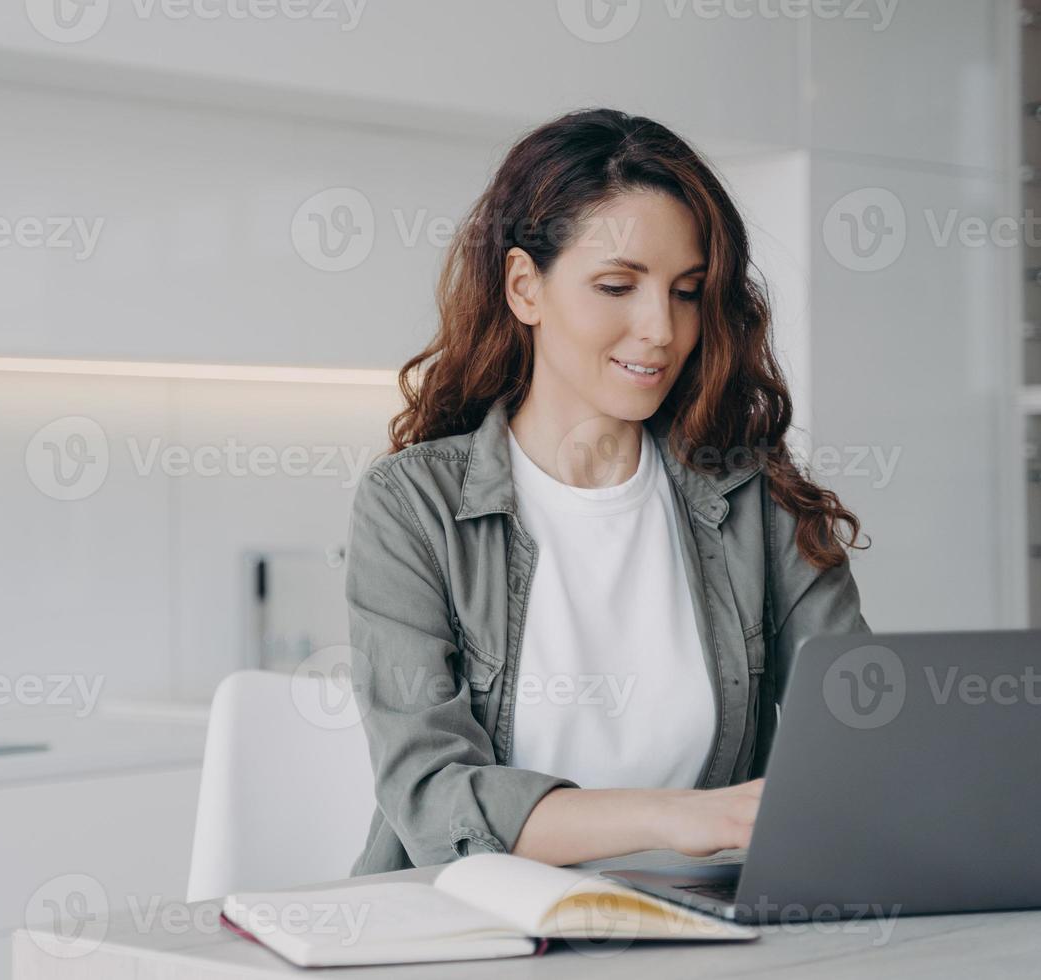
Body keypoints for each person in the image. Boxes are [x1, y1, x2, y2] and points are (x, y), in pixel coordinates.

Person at [344, 107, 871, 876]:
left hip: (703, 932)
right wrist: (687, 817)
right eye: (618, 286)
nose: (661, 327)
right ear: (526, 287)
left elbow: (866, 726)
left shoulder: (753, 495)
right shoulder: (412, 504)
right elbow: (434, 798)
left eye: (687, 292)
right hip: (475, 933)